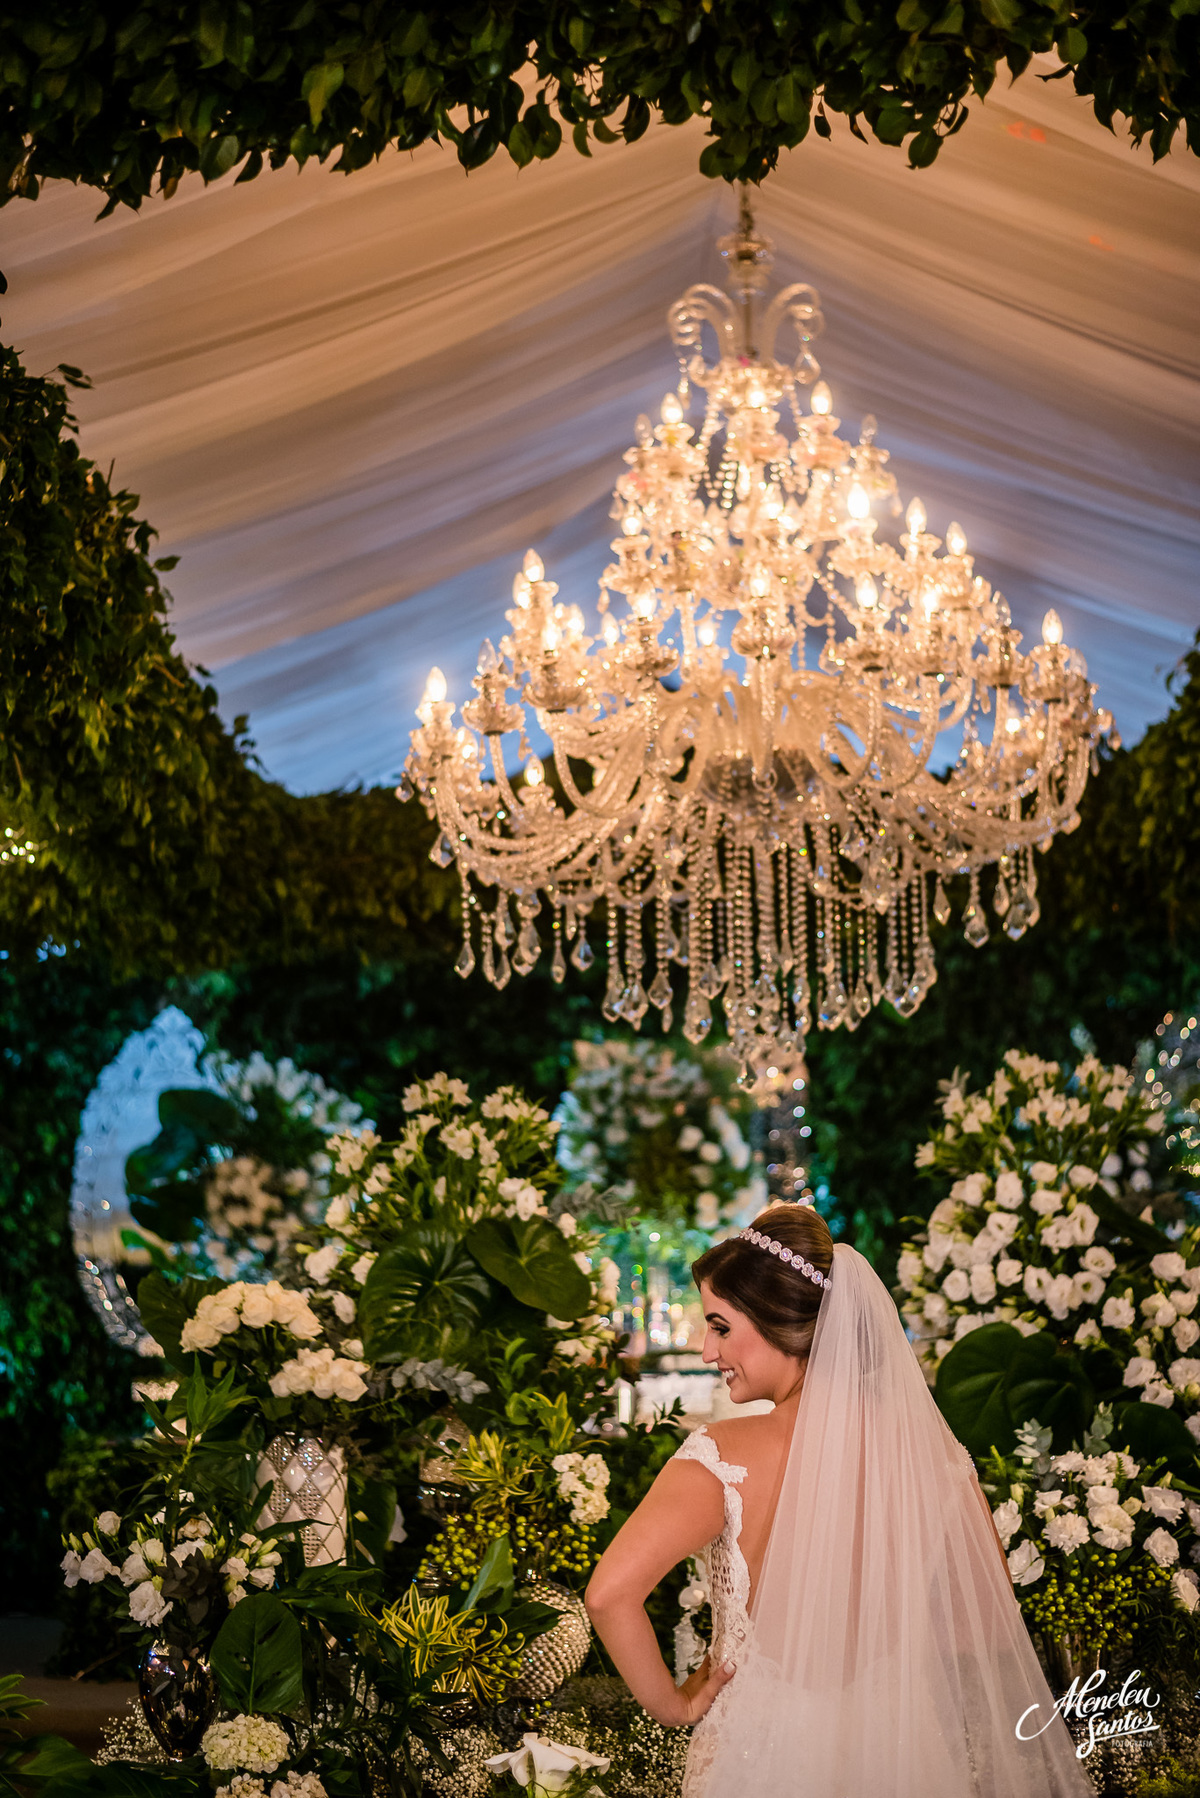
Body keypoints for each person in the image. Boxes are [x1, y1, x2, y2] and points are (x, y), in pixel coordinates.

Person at [585, 1203, 1092, 1797]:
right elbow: (978, 1627)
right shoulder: (936, 1463)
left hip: (764, 1756)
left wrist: (673, 1705)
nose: (706, 1351)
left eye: (720, 1326)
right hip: (904, 1753)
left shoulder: (720, 1458)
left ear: (780, 1321)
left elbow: (609, 1595)